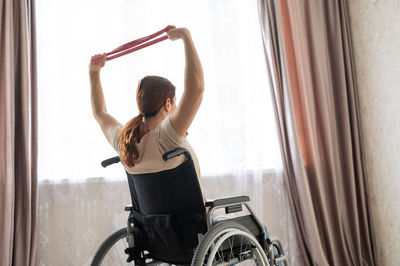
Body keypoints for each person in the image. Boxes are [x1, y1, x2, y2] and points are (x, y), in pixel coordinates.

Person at [88, 25, 204, 198]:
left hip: (154, 225)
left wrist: (94, 72)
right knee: (258, 226)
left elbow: (100, 113)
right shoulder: (167, 136)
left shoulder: (124, 141)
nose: (177, 108)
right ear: (167, 104)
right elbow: (196, 89)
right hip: (195, 224)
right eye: (175, 102)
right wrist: (186, 37)